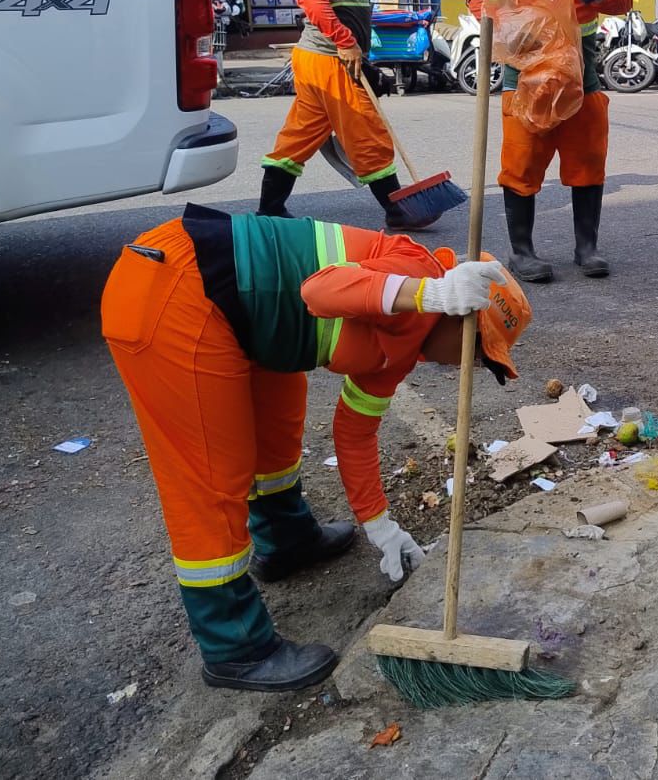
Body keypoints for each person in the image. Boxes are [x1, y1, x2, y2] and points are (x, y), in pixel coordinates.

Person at [101, 206, 528, 691]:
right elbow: (319, 290)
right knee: (211, 478)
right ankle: (233, 647)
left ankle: (286, 539)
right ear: (459, 314)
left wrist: (380, 525)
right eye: (478, 351)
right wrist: (429, 294)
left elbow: (354, 432)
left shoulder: (405, 352)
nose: (466, 366)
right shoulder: (417, 277)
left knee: (278, 424)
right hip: (176, 288)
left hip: (246, 319)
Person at [469, 0, 633, 282]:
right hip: (525, 71)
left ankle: (586, 249)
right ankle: (522, 253)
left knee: (588, 157)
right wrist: (514, 24)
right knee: (522, 160)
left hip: (582, 71)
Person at [258, 0, 431, 229]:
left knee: (301, 133)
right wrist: (345, 40)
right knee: (367, 132)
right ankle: (397, 210)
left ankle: (270, 208)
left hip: (316, 58)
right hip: (329, 58)